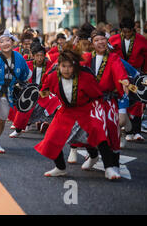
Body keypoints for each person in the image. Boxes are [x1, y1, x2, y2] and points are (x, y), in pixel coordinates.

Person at [34, 47, 121, 180]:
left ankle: (108, 168)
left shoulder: (85, 77)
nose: (67, 69)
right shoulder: (52, 76)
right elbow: (45, 89)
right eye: (64, 66)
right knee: (51, 138)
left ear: (75, 66)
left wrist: (99, 113)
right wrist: (42, 93)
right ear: (58, 66)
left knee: (98, 134)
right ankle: (60, 168)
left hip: (86, 109)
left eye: (70, 66)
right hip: (65, 110)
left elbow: (96, 95)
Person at [66, 30, 130, 172]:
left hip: (108, 102)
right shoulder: (88, 57)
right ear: (92, 44)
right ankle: (93, 156)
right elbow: (74, 64)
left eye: (103, 39)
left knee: (113, 131)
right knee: (85, 130)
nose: (100, 42)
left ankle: (114, 165)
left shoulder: (113, 58)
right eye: (97, 40)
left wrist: (124, 80)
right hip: (90, 103)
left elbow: (119, 71)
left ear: (107, 41)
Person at [9, 42, 60, 138]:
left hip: (44, 92)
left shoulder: (49, 65)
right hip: (29, 91)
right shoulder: (27, 64)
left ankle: (51, 126)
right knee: (24, 106)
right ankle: (18, 129)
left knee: (55, 102)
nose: (39, 58)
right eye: (37, 56)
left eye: (41, 56)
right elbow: (19, 76)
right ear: (33, 55)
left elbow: (54, 79)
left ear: (45, 56)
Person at [109, 17, 147, 142]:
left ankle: (136, 131)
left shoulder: (142, 40)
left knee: (138, 102)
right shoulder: (113, 40)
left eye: (128, 32)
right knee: (123, 99)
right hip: (120, 73)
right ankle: (128, 129)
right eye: (123, 32)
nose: (126, 34)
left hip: (137, 73)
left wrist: (144, 74)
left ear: (133, 30)